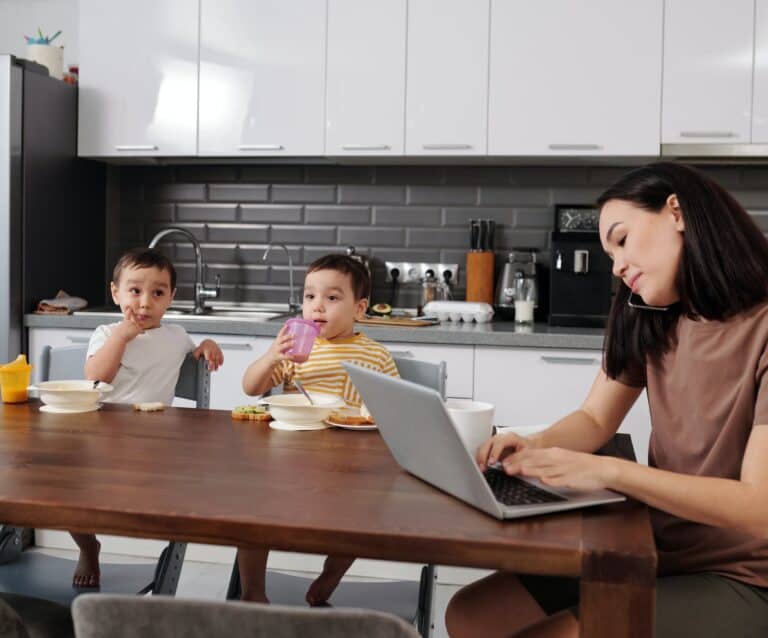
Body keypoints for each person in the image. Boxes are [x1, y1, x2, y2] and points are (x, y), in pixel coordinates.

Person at [445, 162, 768, 638]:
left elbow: (757, 506)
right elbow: (595, 417)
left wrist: (611, 472)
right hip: (651, 547)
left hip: (742, 576)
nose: (615, 265)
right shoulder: (654, 315)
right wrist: (530, 445)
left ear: (676, 212)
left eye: (622, 239)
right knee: (472, 615)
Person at [239, 254, 399, 604]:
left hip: (349, 462)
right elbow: (251, 388)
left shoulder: (376, 355)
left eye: (332, 297)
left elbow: (394, 410)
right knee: (253, 512)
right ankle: (253, 590)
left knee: (363, 518)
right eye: (310, 296)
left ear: (359, 309)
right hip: (291, 452)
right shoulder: (298, 351)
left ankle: (332, 573)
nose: (317, 307)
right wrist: (270, 357)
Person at [75, 247, 224, 587]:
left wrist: (208, 344)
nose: (144, 302)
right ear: (116, 293)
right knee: (69, 494)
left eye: (157, 293)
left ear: (171, 297)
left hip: (155, 439)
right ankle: (87, 545)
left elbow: (194, 353)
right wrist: (121, 339)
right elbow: (96, 378)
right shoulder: (105, 333)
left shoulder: (176, 336)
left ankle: (168, 562)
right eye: (134, 291)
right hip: (102, 432)